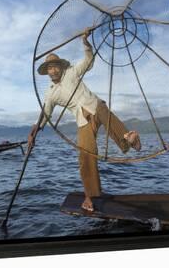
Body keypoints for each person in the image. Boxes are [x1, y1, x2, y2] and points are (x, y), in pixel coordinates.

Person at [27, 27, 141, 212]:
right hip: (83, 119)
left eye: (55, 65)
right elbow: (44, 116)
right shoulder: (51, 94)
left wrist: (85, 42)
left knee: (105, 112)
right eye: (50, 67)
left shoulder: (72, 72)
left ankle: (128, 138)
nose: (53, 69)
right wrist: (33, 132)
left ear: (61, 66)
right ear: (47, 71)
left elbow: (88, 60)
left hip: (95, 106)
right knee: (85, 155)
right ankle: (90, 195)